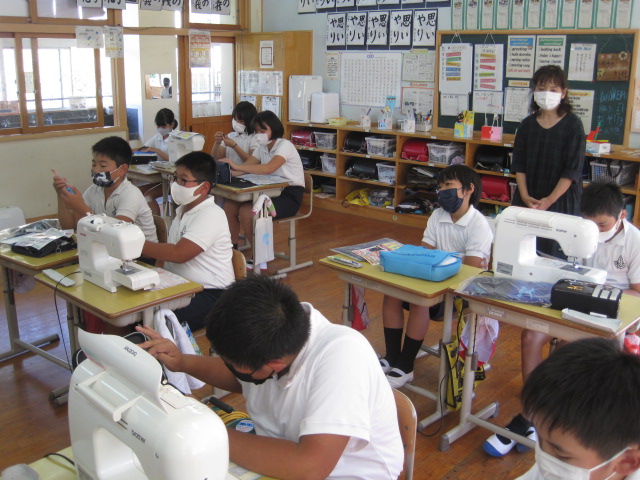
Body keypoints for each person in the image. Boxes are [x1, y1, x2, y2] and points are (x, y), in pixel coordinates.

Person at [137, 275, 404, 480]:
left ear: (273, 365)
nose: (231, 369)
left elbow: (311, 466)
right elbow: (241, 377)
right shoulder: (276, 334)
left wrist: (206, 433)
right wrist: (183, 362)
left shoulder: (343, 357)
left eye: (234, 364)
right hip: (284, 454)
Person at [484, 181, 640, 457]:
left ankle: (532, 416)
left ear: (622, 216)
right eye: (590, 225)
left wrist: (600, 290)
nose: (596, 231)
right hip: (576, 299)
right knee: (531, 334)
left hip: (611, 310)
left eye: (602, 225)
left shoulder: (635, 242)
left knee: (568, 348)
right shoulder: (581, 232)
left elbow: (637, 293)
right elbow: (571, 269)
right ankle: (535, 411)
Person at [380, 164, 493, 388]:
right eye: (440, 187)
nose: (442, 191)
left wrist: (436, 265)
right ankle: (391, 357)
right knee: (392, 293)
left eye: (449, 185)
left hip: (460, 292)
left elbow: (470, 271)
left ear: (469, 189)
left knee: (419, 299)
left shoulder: (479, 225)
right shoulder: (437, 216)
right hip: (433, 279)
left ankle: (406, 365)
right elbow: (424, 253)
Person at [516, 337, 640, 480]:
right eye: (539, 438)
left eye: (562, 456)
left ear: (627, 461)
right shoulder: (555, 463)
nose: (542, 457)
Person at [141, 151, 234, 332]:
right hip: (181, 285)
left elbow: (179, 254)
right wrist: (157, 273)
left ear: (204, 188)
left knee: (156, 321)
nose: (176, 184)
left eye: (183, 180)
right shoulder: (183, 210)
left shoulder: (211, 214)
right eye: (175, 178)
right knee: (137, 308)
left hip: (211, 294)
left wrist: (135, 245)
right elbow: (167, 252)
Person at [510, 64, 586, 259]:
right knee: (523, 254)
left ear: (563, 93)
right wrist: (524, 196)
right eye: (541, 88)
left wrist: (549, 200)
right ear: (534, 91)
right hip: (528, 199)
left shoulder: (573, 125)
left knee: (555, 258)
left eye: (553, 89)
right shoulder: (527, 125)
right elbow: (519, 164)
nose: (546, 94)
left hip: (561, 202)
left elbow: (572, 171)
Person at [220, 111, 305, 256]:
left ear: (274, 129)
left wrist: (238, 166)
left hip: (289, 196)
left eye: (263, 131)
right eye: (256, 131)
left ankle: (260, 255)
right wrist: (228, 171)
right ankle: (232, 250)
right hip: (269, 191)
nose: (259, 134)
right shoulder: (262, 147)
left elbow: (268, 168)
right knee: (230, 206)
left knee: (247, 212)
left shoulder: (285, 145)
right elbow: (246, 167)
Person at [53, 135, 157, 243]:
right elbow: (69, 228)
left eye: (103, 166)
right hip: (109, 248)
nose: (96, 170)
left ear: (122, 169)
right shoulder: (94, 190)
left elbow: (117, 234)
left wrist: (81, 208)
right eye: (94, 164)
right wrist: (60, 195)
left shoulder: (131, 194)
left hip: (142, 251)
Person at [136, 108, 178, 215]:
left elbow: (174, 160)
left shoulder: (177, 138)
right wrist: (128, 150)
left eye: (163, 127)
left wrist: (157, 150)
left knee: (148, 196)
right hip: (161, 177)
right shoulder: (158, 137)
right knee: (137, 191)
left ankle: (157, 223)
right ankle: (146, 221)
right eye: (159, 126)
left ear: (172, 125)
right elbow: (144, 148)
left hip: (173, 179)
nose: (161, 129)